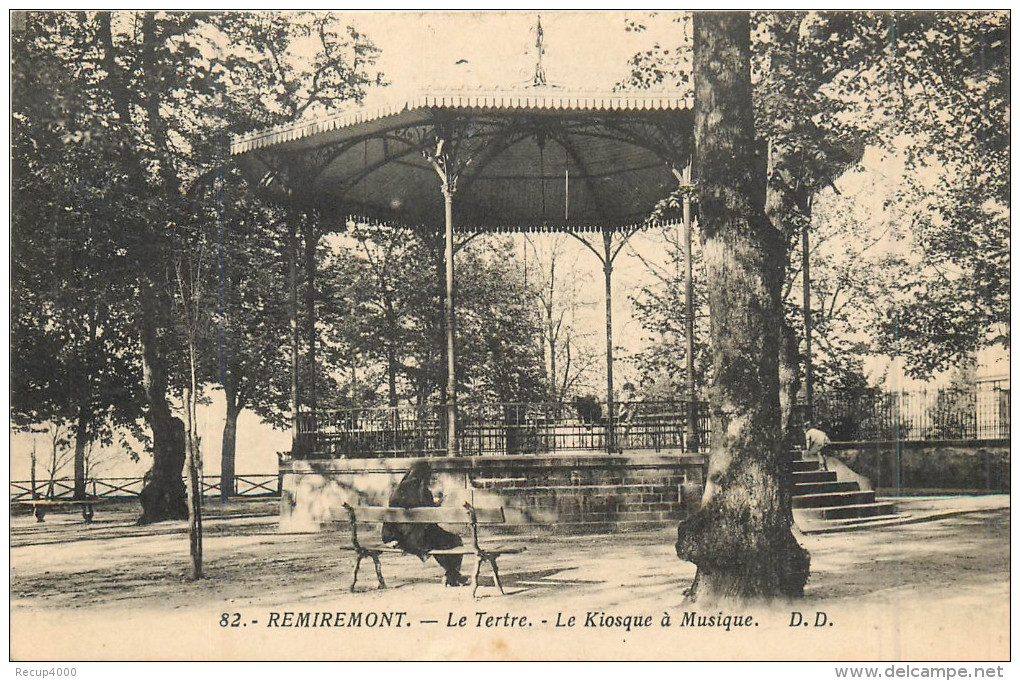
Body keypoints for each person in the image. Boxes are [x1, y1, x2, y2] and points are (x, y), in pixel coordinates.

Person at [381, 461, 469, 586]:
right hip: (419, 539)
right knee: (454, 540)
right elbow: (431, 518)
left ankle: (452, 575)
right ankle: (452, 575)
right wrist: (437, 504)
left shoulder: (397, 491)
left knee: (440, 540)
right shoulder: (423, 491)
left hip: (401, 538)